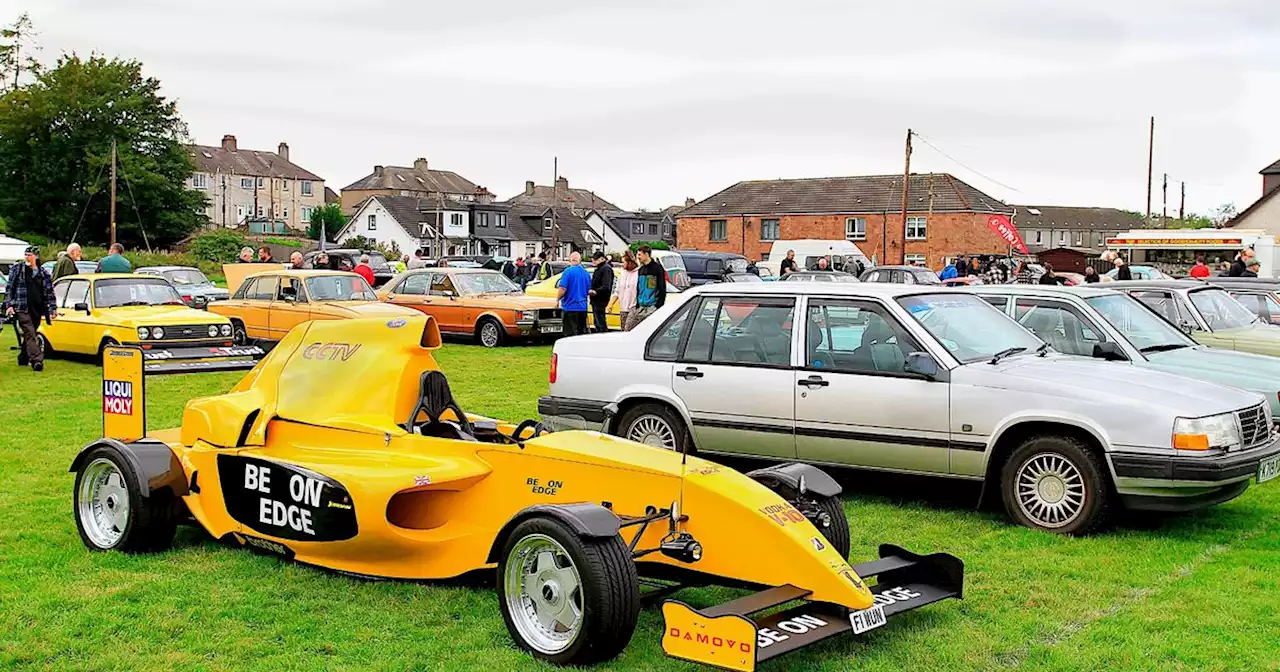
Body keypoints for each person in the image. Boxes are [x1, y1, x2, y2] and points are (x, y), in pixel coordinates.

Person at [4, 246, 57, 371]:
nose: (27, 257)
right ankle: (37, 361)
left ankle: (23, 357)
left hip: (37, 309)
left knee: (30, 334)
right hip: (21, 307)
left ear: (36, 257)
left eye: (30, 255)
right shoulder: (18, 270)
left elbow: (50, 293)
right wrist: (9, 305)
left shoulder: (43, 273)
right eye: (26, 255)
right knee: (30, 332)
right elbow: (10, 288)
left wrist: (53, 309)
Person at [625, 245, 667, 331]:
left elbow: (662, 288)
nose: (638, 257)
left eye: (640, 255)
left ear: (646, 254)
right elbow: (639, 288)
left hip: (652, 306)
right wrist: (637, 304)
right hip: (640, 306)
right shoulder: (641, 269)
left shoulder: (657, 268)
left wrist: (658, 305)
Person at [556, 252, 591, 336]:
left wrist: (557, 299)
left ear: (570, 260)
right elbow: (588, 290)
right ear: (580, 260)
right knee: (581, 334)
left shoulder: (568, 271)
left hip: (570, 306)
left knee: (570, 333)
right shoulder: (586, 273)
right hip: (583, 307)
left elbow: (563, 288)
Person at [588, 251, 615, 333]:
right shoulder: (599, 269)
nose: (593, 261)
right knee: (597, 322)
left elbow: (606, 286)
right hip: (596, 300)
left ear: (602, 259)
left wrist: (595, 291)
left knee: (600, 322)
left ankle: (603, 337)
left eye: (595, 259)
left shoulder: (606, 269)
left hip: (600, 300)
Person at [617, 249, 639, 330]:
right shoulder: (622, 273)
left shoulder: (638, 273)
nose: (622, 264)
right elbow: (617, 290)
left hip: (633, 306)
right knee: (623, 331)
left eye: (624, 262)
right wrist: (611, 304)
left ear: (629, 262)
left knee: (628, 329)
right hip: (623, 307)